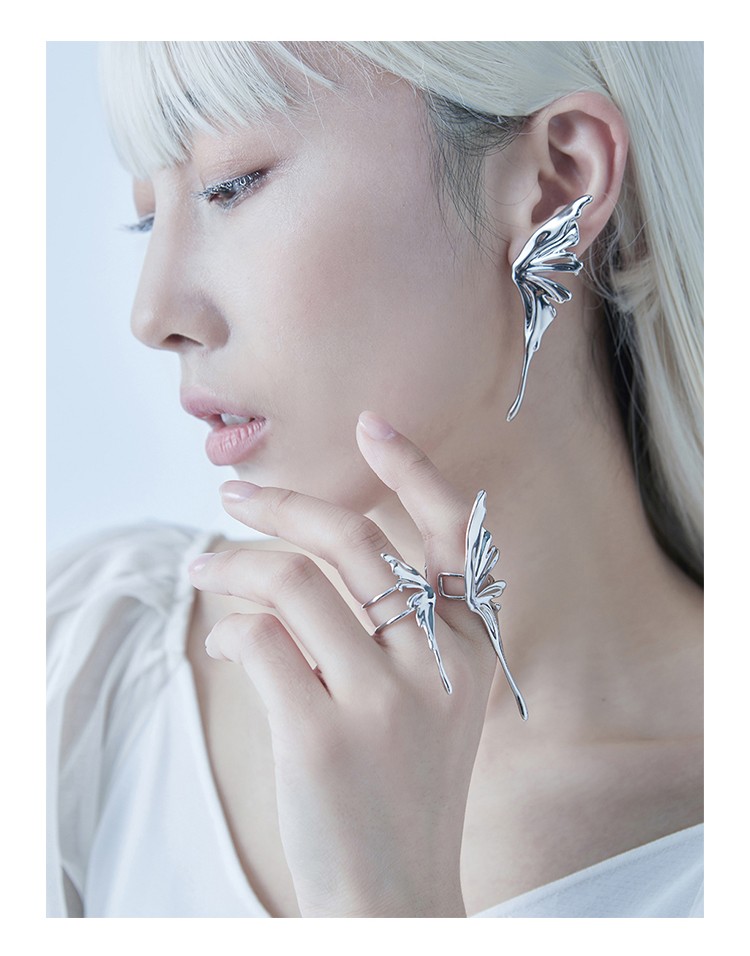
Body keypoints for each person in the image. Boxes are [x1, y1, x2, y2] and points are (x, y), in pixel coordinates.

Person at [47, 41, 703, 918]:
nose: (153, 313)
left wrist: (381, 903)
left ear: (559, 184)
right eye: (144, 218)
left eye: (230, 186)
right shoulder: (86, 671)